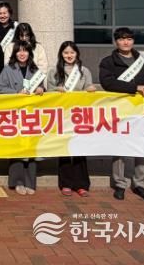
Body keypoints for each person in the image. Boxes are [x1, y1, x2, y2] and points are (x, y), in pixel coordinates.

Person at [99, 27, 144, 202]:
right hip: (120, 111)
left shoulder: (141, 62)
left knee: (141, 147)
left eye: (129, 39)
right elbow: (107, 83)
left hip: (141, 112)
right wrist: (134, 87)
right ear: (116, 41)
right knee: (120, 147)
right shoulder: (108, 62)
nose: (126, 42)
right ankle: (119, 184)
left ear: (133, 41)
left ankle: (140, 184)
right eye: (122, 39)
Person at [0, 41, 46, 196]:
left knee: (31, 148)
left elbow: (42, 87)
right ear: (15, 53)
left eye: (25, 51)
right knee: (17, 148)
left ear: (29, 53)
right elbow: (0, 89)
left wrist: (41, 89)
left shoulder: (35, 69)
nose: (22, 53)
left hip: (31, 114)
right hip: (15, 114)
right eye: (19, 51)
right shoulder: (8, 69)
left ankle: (30, 182)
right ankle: (17, 181)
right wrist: (16, 93)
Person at [47, 41, 96, 197]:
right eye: (66, 53)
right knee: (65, 149)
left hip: (80, 115)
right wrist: (56, 90)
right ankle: (66, 183)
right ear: (61, 54)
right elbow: (48, 92)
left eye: (72, 52)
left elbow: (89, 87)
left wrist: (90, 89)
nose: (69, 55)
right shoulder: (54, 71)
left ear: (77, 54)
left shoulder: (84, 71)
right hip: (62, 115)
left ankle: (81, 184)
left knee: (80, 150)